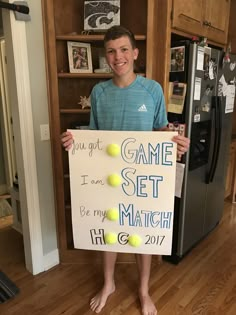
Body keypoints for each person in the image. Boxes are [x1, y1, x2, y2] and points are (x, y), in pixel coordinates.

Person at [61, 25, 190, 315]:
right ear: (105, 56)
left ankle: (144, 291)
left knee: (143, 234)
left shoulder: (153, 89)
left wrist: (174, 145)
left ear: (134, 53)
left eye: (122, 49)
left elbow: (160, 132)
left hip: (143, 181)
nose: (117, 56)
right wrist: (74, 142)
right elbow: (93, 136)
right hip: (109, 179)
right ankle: (109, 283)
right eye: (110, 51)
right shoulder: (99, 92)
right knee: (109, 230)